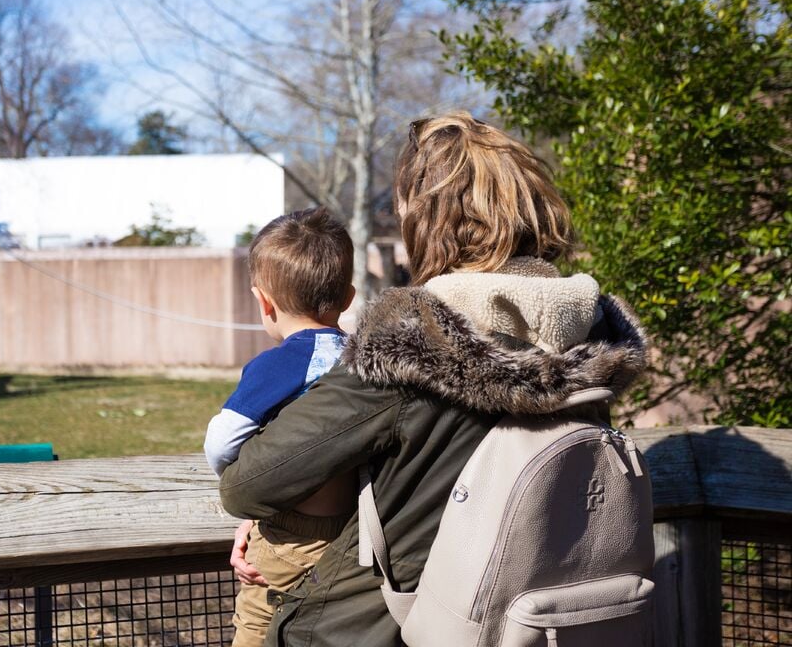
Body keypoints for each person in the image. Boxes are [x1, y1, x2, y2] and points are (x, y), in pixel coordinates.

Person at [219, 112, 649, 647]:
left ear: (429, 220)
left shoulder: (409, 348)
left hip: (376, 628)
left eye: (403, 209)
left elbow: (250, 483)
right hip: (534, 623)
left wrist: (282, 522)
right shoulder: (582, 343)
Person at [204, 207, 357, 647]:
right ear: (347, 298)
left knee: (257, 625)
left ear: (263, 301)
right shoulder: (367, 357)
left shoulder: (281, 364)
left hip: (289, 536)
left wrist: (248, 496)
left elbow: (222, 441)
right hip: (355, 536)